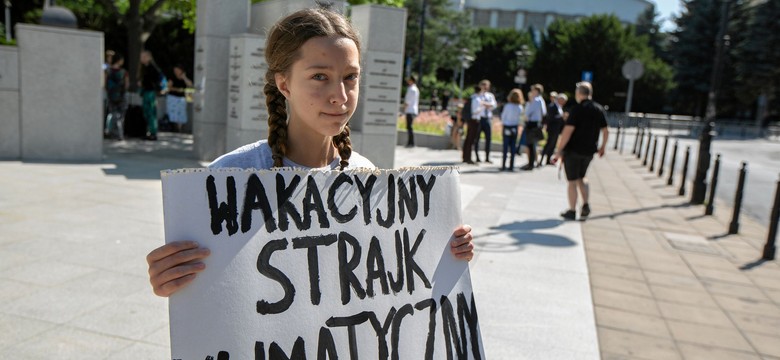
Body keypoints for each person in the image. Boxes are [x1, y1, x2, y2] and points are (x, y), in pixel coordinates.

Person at [146, 8, 475, 297]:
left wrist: (442, 254)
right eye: (320, 77)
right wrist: (170, 278)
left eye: (350, 77)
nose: (340, 96)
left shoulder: (369, 180)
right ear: (284, 84)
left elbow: (385, 284)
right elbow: (204, 292)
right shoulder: (227, 178)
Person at [552, 81, 608, 221]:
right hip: (589, 151)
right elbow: (606, 130)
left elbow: (567, 131)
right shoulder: (598, 109)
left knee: (571, 181)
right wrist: (603, 147)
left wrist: (559, 150)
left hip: (573, 150)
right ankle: (586, 204)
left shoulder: (577, 109)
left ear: (579, 93)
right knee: (582, 177)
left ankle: (572, 210)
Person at [519, 84, 546, 170]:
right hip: (536, 123)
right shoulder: (541, 100)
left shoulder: (536, 100)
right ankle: (534, 162)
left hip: (532, 123)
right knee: (533, 144)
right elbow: (544, 112)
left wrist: (526, 117)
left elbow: (528, 113)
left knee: (530, 144)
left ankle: (531, 164)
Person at [139, 50, 163, 141]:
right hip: (147, 92)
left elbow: (157, 80)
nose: (142, 59)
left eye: (144, 57)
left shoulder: (152, 68)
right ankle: (149, 132)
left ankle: (153, 133)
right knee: (147, 113)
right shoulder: (146, 67)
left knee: (151, 113)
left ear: (149, 57)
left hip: (150, 93)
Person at [104, 54, 129, 140]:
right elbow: (126, 85)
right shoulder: (123, 72)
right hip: (121, 96)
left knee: (113, 114)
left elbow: (105, 84)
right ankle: (120, 134)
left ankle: (113, 133)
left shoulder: (108, 71)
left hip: (111, 96)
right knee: (120, 116)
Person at [499, 89, 525, 171]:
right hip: (514, 127)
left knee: (505, 147)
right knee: (513, 147)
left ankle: (503, 165)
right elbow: (521, 119)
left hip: (507, 126)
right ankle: (511, 166)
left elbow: (503, 116)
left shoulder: (508, 106)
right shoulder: (520, 107)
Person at [473, 79, 497, 163]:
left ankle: (487, 157)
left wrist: (484, 104)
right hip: (479, 118)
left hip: (487, 118)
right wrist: (486, 104)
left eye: (486, 85)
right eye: (483, 85)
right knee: (477, 138)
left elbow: (493, 105)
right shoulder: (477, 95)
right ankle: (477, 157)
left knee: (488, 138)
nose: (485, 87)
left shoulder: (490, 96)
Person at [539, 93, 566, 166]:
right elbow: (550, 118)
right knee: (548, 144)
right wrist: (560, 117)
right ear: (559, 99)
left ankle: (548, 160)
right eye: (563, 100)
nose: (564, 102)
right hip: (552, 129)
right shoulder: (552, 106)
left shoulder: (560, 107)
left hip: (557, 129)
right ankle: (541, 159)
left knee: (553, 145)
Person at [165, 64, 193, 132]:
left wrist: (184, 77)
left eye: (177, 70)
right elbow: (168, 87)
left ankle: (180, 128)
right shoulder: (172, 77)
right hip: (173, 97)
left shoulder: (185, 78)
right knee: (173, 113)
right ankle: (174, 127)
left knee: (181, 113)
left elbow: (190, 85)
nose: (176, 72)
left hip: (182, 98)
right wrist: (177, 89)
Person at [461, 85, 480, 165]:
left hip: (470, 120)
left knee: (468, 138)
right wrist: (481, 108)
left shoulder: (471, 98)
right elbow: (475, 111)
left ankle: (465, 156)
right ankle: (468, 158)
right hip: (474, 120)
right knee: (471, 139)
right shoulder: (477, 99)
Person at [404, 76, 419, 147]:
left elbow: (408, 101)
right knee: (410, 127)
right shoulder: (415, 89)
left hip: (410, 110)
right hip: (413, 110)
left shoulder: (412, 89)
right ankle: (410, 142)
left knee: (409, 127)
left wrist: (404, 108)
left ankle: (411, 143)